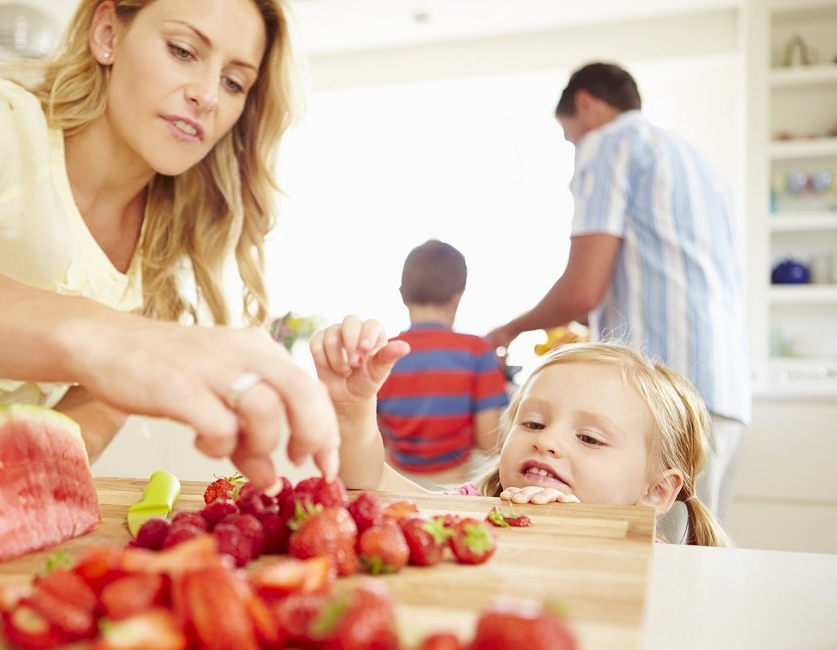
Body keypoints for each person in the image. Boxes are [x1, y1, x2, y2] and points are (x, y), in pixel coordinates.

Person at [0, 0, 340, 494]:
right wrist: (108, 339)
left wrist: (31, 460)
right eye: (183, 50)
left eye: (235, 83)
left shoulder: (172, 240)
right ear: (107, 34)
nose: (206, 95)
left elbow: (95, 406)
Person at [486, 62, 750, 523]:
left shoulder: (610, 143)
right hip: (724, 389)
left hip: (657, 396)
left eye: (570, 136)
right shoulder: (696, 161)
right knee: (690, 557)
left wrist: (509, 328)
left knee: (642, 563)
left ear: (585, 104)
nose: (575, 147)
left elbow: (582, 289)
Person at [310, 327, 732, 547]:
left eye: (588, 438)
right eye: (532, 423)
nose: (547, 441)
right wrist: (352, 411)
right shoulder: (474, 511)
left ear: (656, 492)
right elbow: (370, 486)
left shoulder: (658, 564)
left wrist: (574, 533)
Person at [376, 239, 508, 487]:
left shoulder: (385, 353)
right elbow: (489, 441)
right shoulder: (477, 352)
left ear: (403, 295)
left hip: (394, 483)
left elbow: (375, 432)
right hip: (455, 487)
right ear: (458, 296)